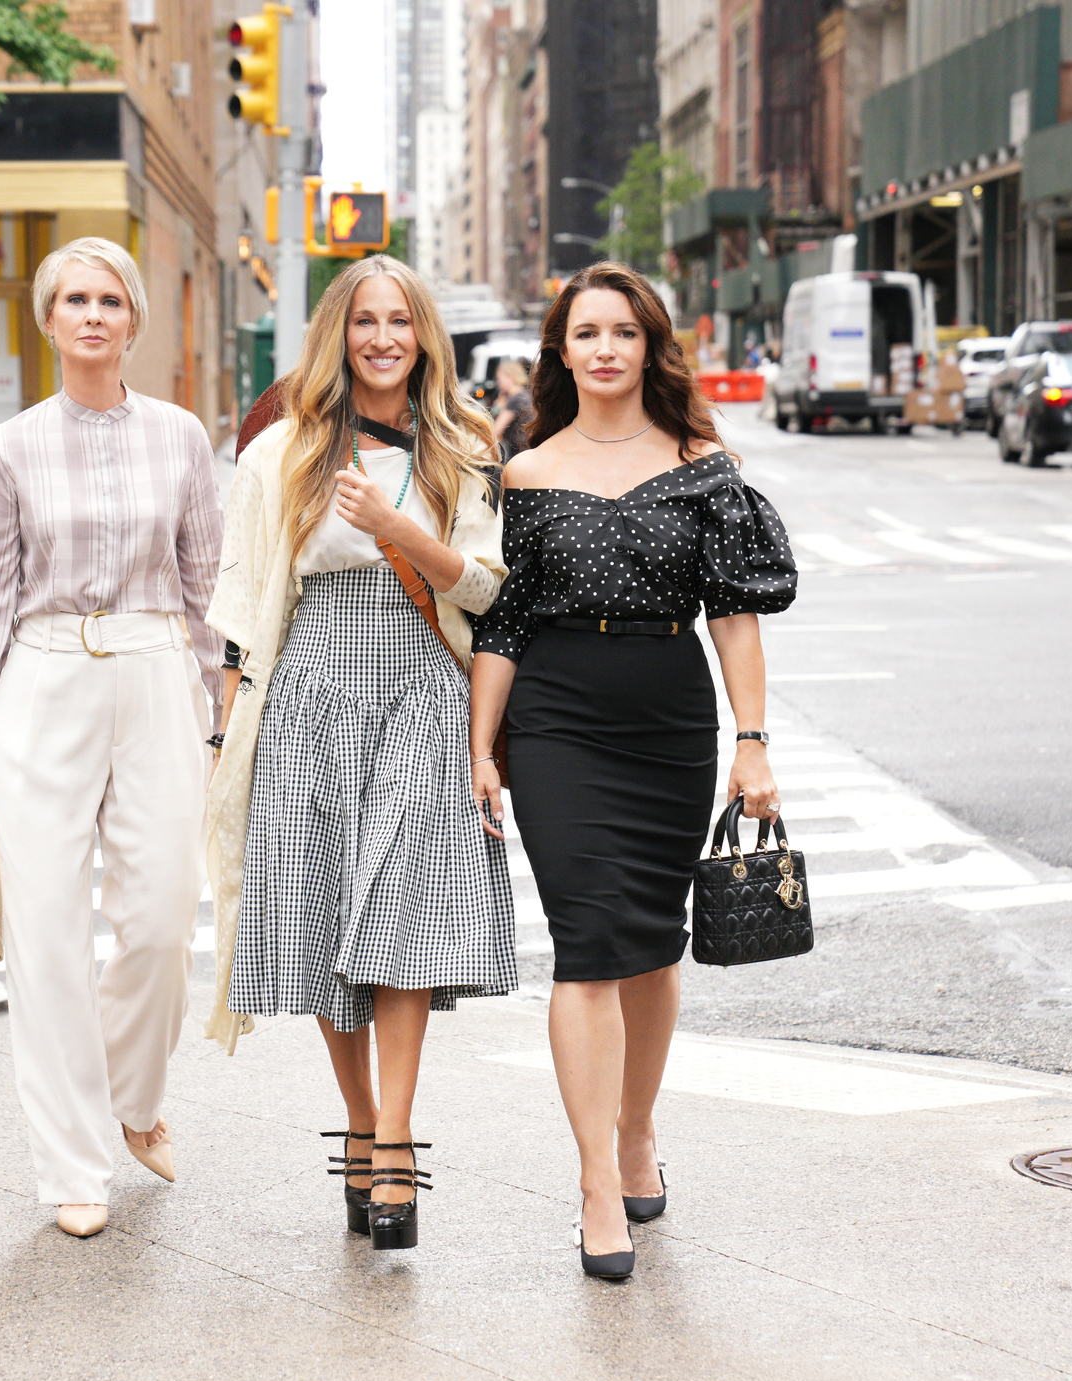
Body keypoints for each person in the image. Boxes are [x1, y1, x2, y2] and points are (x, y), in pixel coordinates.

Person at [468, 262, 796, 1279]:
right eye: (586, 332)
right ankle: (594, 1183)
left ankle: (637, 1128)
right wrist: (481, 746)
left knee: (653, 947)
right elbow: (503, 623)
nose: (605, 347)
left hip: (666, 709)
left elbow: (733, 614)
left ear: (651, 347)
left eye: (624, 331)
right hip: (558, 713)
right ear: (559, 352)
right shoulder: (518, 473)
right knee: (588, 939)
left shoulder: (705, 464)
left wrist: (753, 742)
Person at [205, 253, 515, 1251]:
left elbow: (485, 590)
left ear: (425, 335)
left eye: (402, 320)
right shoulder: (280, 452)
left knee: (400, 916)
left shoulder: (463, 443)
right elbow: (244, 613)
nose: (384, 338)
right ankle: (359, 1120)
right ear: (338, 334)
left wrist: (394, 527)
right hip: (309, 691)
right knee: (326, 914)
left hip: (422, 687)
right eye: (365, 321)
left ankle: (395, 1140)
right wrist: (226, 737)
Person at [0, 236, 223, 1241]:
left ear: (133, 320)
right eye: (74, 299)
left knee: (156, 920)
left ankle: (135, 1097)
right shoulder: (13, 446)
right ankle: (72, 1163)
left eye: (110, 299)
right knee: (46, 933)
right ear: (48, 319)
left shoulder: (183, 437)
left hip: (155, 673)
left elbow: (205, 585)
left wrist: (221, 716)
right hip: (41, 678)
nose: (93, 313)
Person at [490, 357, 534, 463]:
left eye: (500, 379)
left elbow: (497, 429)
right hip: (527, 448)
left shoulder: (515, 398)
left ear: (511, 378)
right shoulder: (524, 394)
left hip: (519, 450)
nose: (498, 383)